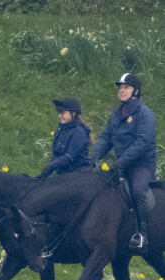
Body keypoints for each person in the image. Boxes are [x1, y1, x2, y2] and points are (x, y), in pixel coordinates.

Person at [92, 73, 156, 252]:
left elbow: (142, 143)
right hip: (121, 163)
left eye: (126, 87)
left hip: (141, 165)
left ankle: (142, 234)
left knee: (137, 191)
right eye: (120, 88)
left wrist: (122, 161)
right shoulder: (117, 114)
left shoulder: (145, 114)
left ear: (135, 91)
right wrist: (94, 156)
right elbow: (106, 138)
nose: (121, 90)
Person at [38, 98, 91, 178]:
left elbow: (69, 157)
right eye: (59, 113)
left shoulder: (79, 132)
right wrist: (49, 171)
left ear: (73, 113)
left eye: (63, 113)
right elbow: (56, 154)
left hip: (77, 174)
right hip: (63, 173)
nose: (59, 116)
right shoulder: (60, 130)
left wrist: (51, 166)